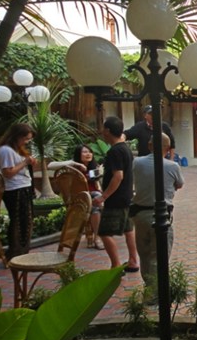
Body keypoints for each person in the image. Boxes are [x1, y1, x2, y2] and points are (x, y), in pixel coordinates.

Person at [130, 133, 184, 301]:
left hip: (140, 215)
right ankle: (153, 294)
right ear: (167, 149)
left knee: (145, 254)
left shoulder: (137, 163)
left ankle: (150, 288)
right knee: (159, 256)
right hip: (161, 216)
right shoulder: (172, 166)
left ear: (149, 145)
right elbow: (179, 184)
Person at [93, 116, 139, 271]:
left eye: (103, 129)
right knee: (128, 230)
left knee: (104, 232)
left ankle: (115, 265)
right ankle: (133, 260)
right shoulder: (125, 148)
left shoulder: (115, 151)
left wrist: (103, 196)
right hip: (126, 196)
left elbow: (118, 176)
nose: (102, 132)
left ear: (107, 131)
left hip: (116, 198)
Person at [48, 144, 104, 249]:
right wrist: (74, 163)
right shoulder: (73, 166)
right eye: (85, 152)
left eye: (90, 152)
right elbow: (50, 165)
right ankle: (97, 238)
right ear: (78, 154)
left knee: (96, 204)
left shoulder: (94, 167)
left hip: (93, 197)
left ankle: (96, 237)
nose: (88, 154)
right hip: (79, 198)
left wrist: (99, 174)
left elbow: (96, 185)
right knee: (98, 202)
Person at [0, 123, 37, 260]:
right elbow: (7, 172)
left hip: (23, 187)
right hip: (15, 190)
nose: (26, 142)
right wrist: (24, 162)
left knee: (26, 222)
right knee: (19, 223)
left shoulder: (16, 150)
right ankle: (15, 254)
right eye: (25, 139)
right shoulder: (5, 150)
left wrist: (28, 162)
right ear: (17, 136)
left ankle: (22, 253)